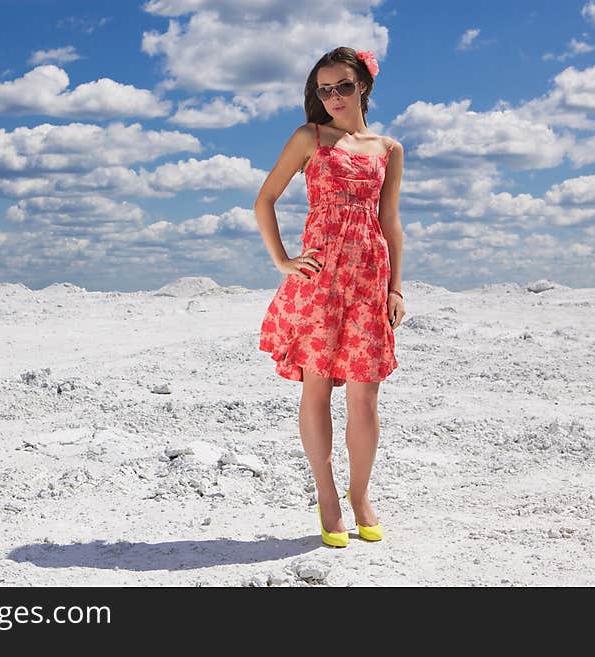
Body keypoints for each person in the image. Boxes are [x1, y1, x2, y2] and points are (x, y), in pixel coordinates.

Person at [254, 46, 406, 548]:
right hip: (320, 281)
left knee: (365, 395)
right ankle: (328, 498)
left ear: (362, 85)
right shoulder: (309, 137)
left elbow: (390, 223)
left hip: (368, 279)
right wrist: (282, 261)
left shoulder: (388, 148)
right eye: (324, 89)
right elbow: (265, 199)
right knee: (316, 389)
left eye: (342, 86)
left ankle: (361, 495)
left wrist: (396, 287)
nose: (333, 96)